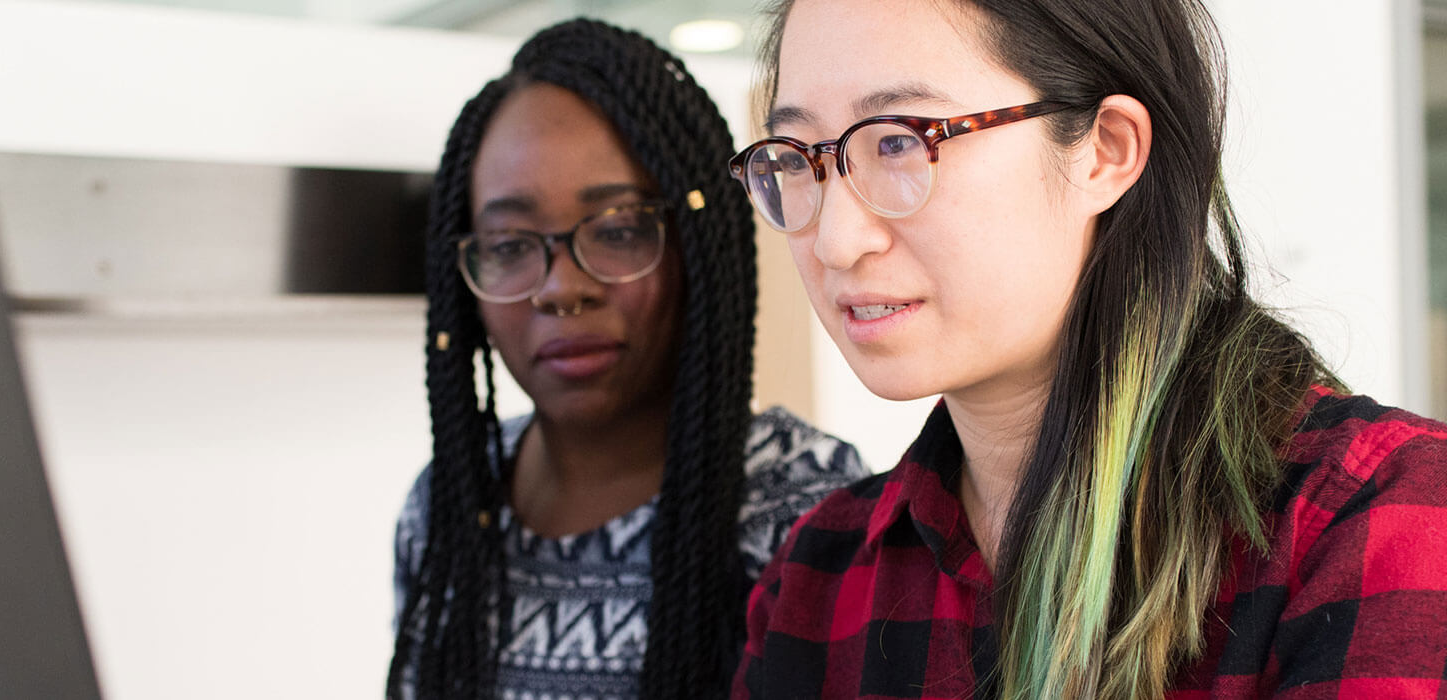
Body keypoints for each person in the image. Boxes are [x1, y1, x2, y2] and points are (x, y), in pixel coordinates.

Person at [728, 0, 1447, 698]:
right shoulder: (817, 579)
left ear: (1106, 150)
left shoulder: (1371, 520)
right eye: (796, 159)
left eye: (898, 143)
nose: (836, 241)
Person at [390, 18, 868, 700]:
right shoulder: (446, 508)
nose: (562, 288)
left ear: (695, 246)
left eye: (617, 231)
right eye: (509, 245)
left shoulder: (804, 510)